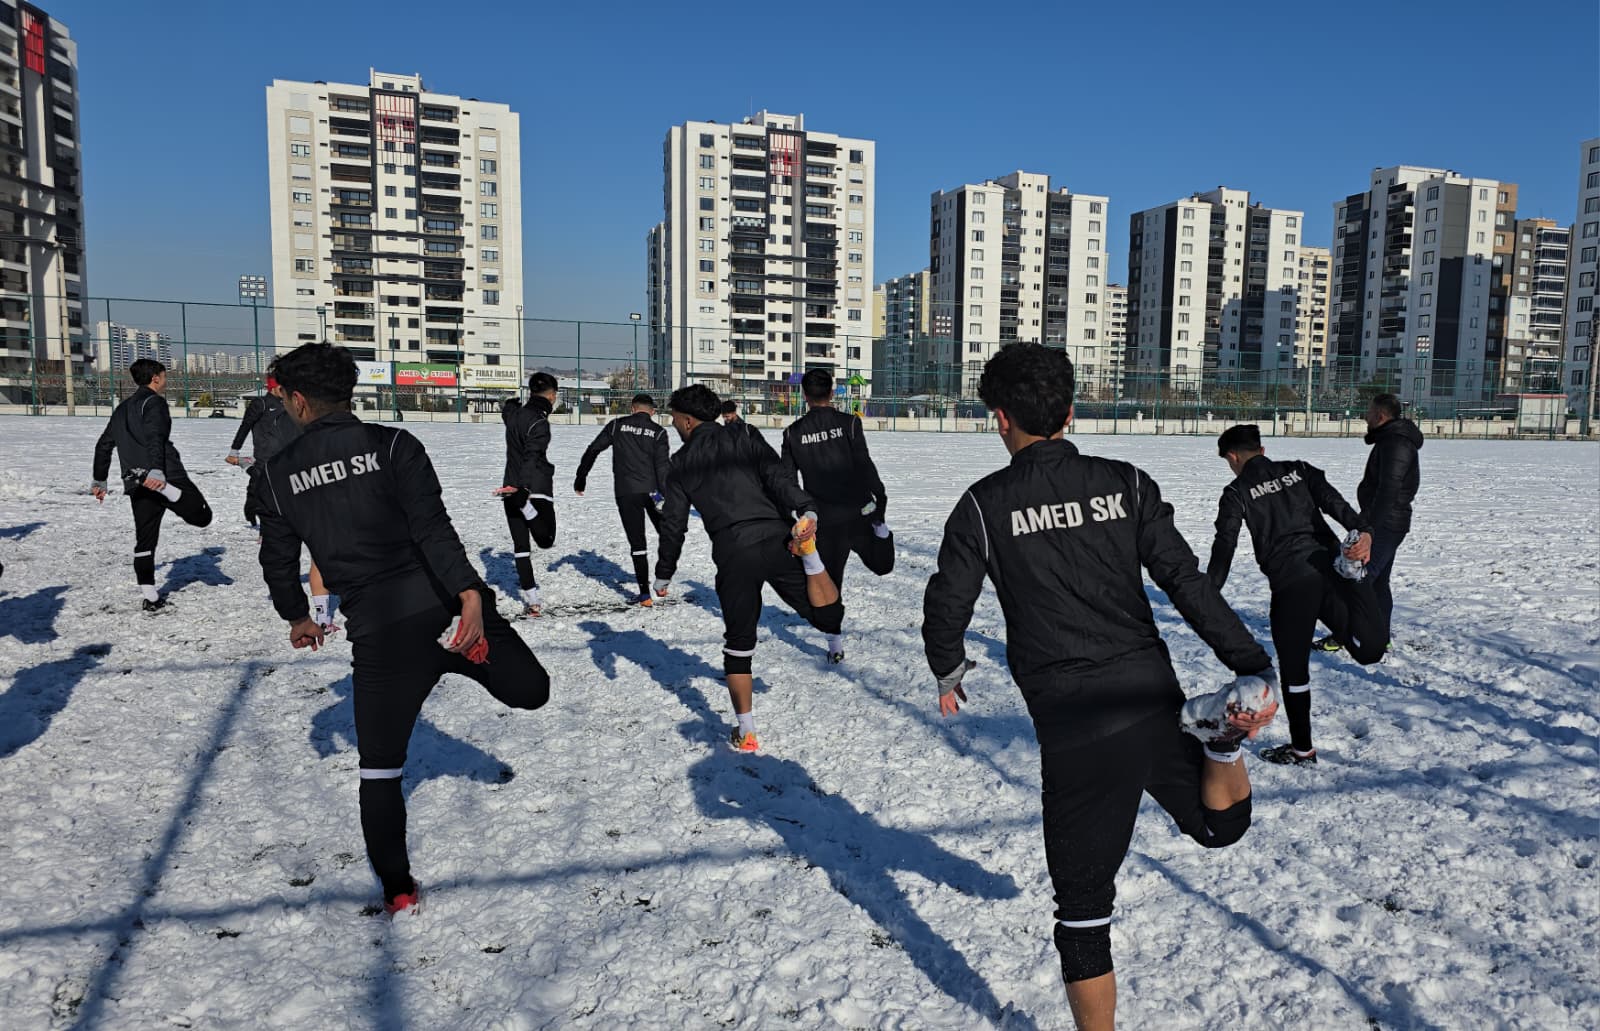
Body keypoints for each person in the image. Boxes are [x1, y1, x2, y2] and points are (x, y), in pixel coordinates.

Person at [922, 343, 1278, 1031]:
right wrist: (1250, 661)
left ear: (1000, 419)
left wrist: (948, 664)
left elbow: (947, 602)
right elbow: (1186, 580)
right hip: (1150, 695)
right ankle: (1222, 746)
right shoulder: (1127, 481)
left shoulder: (983, 506)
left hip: (1075, 728)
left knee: (1084, 911)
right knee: (1220, 827)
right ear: (1071, 412)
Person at [250, 343, 550, 915]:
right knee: (531, 692)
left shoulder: (273, 474)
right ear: (349, 391)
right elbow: (434, 529)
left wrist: (295, 616)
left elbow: (277, 558)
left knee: (380, 772)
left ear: (294, 399)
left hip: (386, 633)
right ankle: (472, 649)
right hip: (444, 610)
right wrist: (469, 595)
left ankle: (398, 888)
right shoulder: (392, 444)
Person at [654, 384, 842, 753]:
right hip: (775, 538)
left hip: (733, 553)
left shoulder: (680, 464)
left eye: (674, 418)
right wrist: (805, 507)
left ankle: (747, 731)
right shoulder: (743, 437)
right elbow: (777, 477)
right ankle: (812, 558)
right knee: (827, 615)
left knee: (739, 644)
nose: (673, 424)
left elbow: (673, 524)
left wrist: (664, 572)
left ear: (688, 421)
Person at [1207, 424, 1389, 765]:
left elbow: (1224, 546)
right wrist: (1363, 530)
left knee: (1295, 672)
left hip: (1292, 586)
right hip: (1329, 571)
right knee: (1369, 651)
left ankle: (1302, 750)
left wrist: (1206, 594)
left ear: (1233, 457)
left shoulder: (1236, 491)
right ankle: (1358, 578)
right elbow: (1337, 505)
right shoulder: (1299, 470)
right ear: (1262, 451)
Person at [780, 368, 895, 660]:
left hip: (826, 520)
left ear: (804, 395)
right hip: (857, 513)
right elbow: (864, 464)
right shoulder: (849, 423)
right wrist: (879, 499)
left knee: (831, 587)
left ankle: (835, 645)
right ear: (832, 393)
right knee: (882, 566)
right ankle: (881, 529)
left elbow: (788, 482)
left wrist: (800, 513)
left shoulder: (793, 433)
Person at [91, 359, 214, 611]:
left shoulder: (122, 409)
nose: (165, 381)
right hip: (165, 474)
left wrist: (99, 479)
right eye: (164, 377)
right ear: (156, 378)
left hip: (136, 481)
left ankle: (151, 598)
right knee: (202, 517)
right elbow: (155, 436)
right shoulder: (154, 402)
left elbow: (103, 445)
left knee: (145, 539)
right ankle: (164, 488)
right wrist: (158, 471)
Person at [227, 369, 337, 633]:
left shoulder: (299, 411)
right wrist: (235, 450)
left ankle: (322, 616)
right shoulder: (260, 404)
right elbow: (245, 427)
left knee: (315, 554)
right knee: (262, 502)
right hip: (268, 465)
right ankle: (262, 524)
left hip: (298, 471)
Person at [572, 393, 672, 606]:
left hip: (626, 491)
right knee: (667, 534)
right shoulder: (659, 432)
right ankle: (662, 582)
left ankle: (645, 595)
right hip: (653, 493)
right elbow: (663, 467)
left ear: (633, 409)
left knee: (638, 543)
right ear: (652, 411)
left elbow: (594, 449)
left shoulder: (617, 426)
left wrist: (581, 477)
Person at [1345, 393, 1423, 645]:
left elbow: (1389, 489)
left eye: (1368, 412)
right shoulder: (1391, 439)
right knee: (1378, 583)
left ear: (1379, 415)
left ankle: (1351, 634)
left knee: (1361, 578)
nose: (1365, 417)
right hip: (1386, 520)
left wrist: (1369, 529)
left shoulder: (1396, 443)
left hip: (1386, 524)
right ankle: (1380, 637)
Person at [495, 373, 559, 616]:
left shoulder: (514, 415)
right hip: (534, 487)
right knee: (546, 538)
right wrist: (524, 490)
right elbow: (532, 455)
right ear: (552, 396)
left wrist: (510, 403)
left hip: (509, 485)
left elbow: (507, 411)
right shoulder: (540, 423)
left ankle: (533, 601)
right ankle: (527, 508)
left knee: (521, 546)